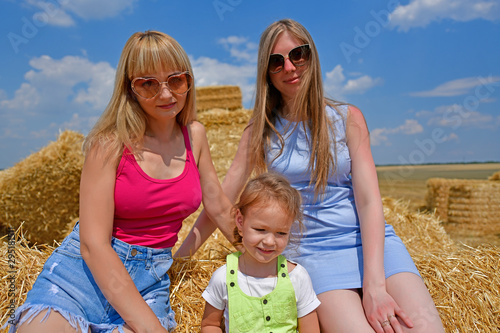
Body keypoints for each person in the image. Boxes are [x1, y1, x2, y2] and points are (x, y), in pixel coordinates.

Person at [177, 19, 445, 333]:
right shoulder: (259, 132)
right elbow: (218, 201)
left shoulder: (349, 118)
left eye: (298, 55)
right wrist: (179, 259)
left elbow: (370, 201)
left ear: (311, 56)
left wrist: (375, 286)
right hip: (312, 255)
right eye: (277, 62)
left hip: (372, 246)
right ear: (267, 72)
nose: (289, 67)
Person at [9, 30, 234, 333]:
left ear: (189, 81)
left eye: (176, 80)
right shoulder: (109, 144)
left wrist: (265, 251)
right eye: (148, 84)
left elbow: (218, 206)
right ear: (129, 89)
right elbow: (93, 245)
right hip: (81, 275)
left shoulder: (196, 136)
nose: (166, 95)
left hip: (149, 278)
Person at [200, 172, 321, 333]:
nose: (270, 241)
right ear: (240, 221)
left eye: (281, 233)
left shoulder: (298, 278)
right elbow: (210, 325)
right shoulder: (223, 278)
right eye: (260, 229)